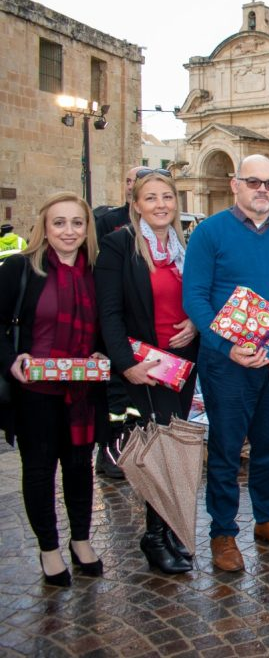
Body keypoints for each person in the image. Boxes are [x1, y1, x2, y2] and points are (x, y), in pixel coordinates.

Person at [183, 154, 269, 573]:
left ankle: (267, 520)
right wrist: (227, 348)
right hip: (228, 364)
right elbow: (196, 299)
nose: (263, 190)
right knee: (225, 449)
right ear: (235, 184)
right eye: (254, 182)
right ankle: (222, 533)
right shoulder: (209, 233)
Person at [95, 170, 199, 574]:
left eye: (168, 197)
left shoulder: (182, 249)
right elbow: (109, 312)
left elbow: (192, 297)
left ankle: (168, 528)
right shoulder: (119, 245)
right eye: (151, 198)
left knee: (174, 445)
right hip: (145, 365)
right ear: (136, 204)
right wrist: (127, 365)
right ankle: (154, 537)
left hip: (182, 365)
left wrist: (193, 323)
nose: (161, 205)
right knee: (158, 449)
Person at [0, 192, 107, 586]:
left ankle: (81, 540)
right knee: (40, 471)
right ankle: (49, 548)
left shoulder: (96, 272)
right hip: (36, 393)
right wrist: (12, 360)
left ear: (86, 229)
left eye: (77, 223)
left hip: (82, 392)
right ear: (44, 227)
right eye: (59, 222)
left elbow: (106, 326)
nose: (68, 230)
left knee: (80, 468)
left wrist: (101, 351)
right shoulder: (20, 269)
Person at [94, 165, 154, 479]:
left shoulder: (171, 240)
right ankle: (108, 455)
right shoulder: (109, 223)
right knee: (116, 401)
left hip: (148, 341)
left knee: (137, 410)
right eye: (130, 181)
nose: (133, 186)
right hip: (119, 338)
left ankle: (132, 453)